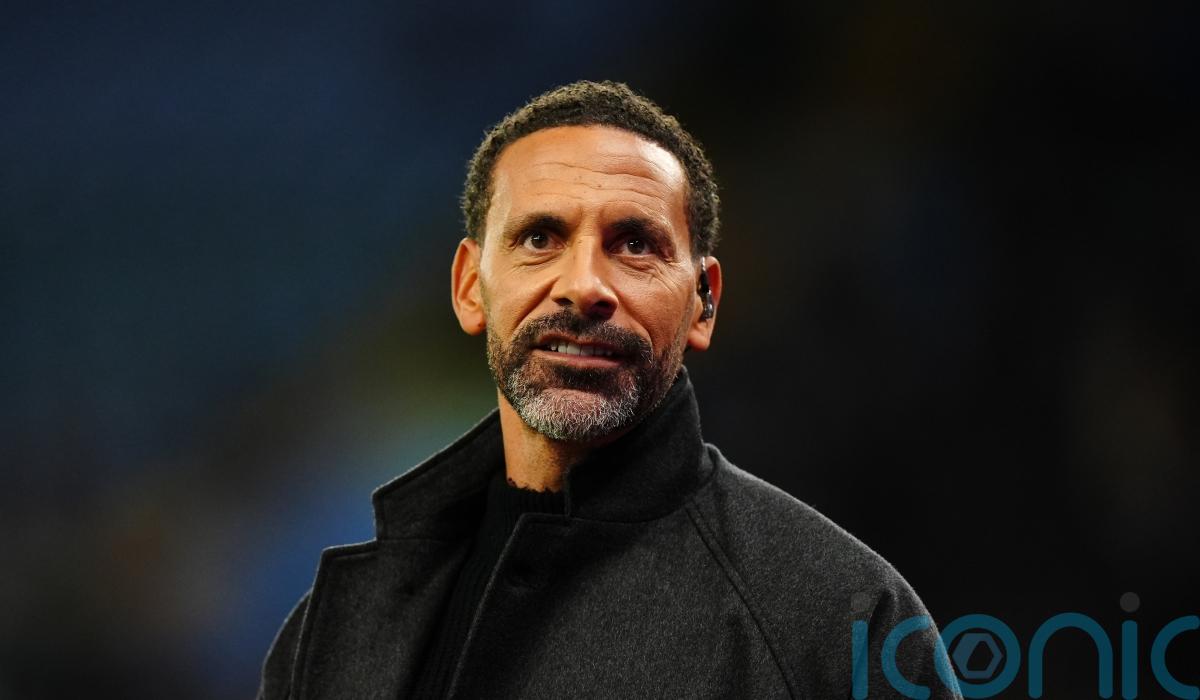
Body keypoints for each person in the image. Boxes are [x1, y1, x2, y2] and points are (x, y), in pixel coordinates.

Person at [258, 80, 961, 699]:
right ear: (470, 287)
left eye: (634, 244)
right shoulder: (336, 627)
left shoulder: (841, 620)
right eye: (540, 238)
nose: (583, 285)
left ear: (704, 304)